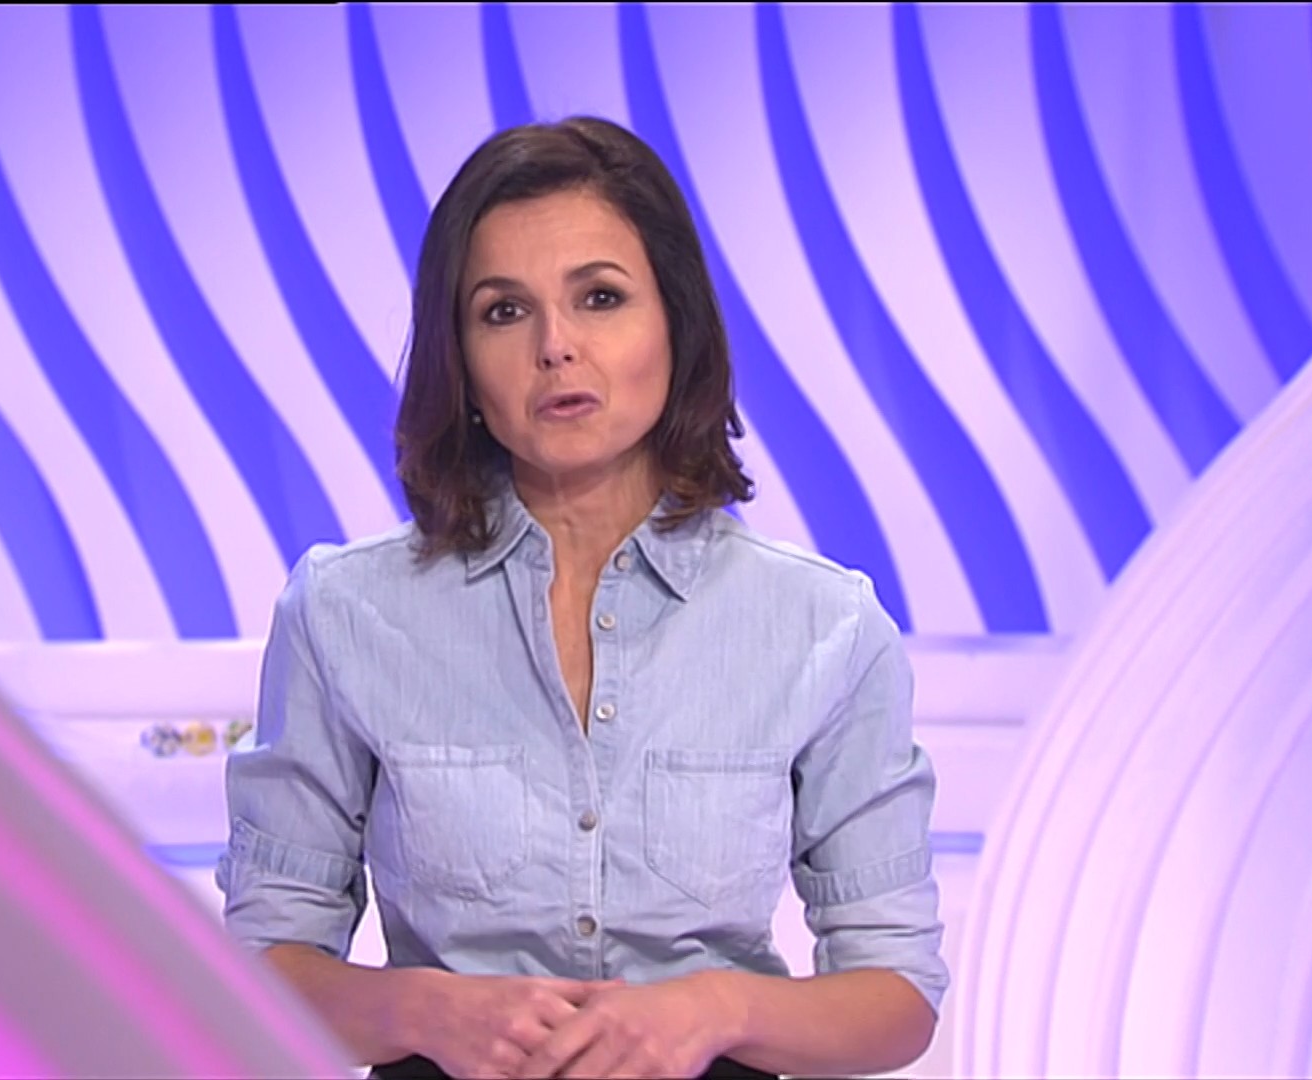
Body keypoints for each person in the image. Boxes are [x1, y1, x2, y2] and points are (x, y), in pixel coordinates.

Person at [217, 116, 946, 1080]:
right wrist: (425, 1008)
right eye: (503, 312)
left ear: (677, 325)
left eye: (600, 298)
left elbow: (896, 994)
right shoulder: (344, 611)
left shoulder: (825, 626)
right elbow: (258, 971)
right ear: (460, 362)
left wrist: (714, 1009)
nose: (556, 347)